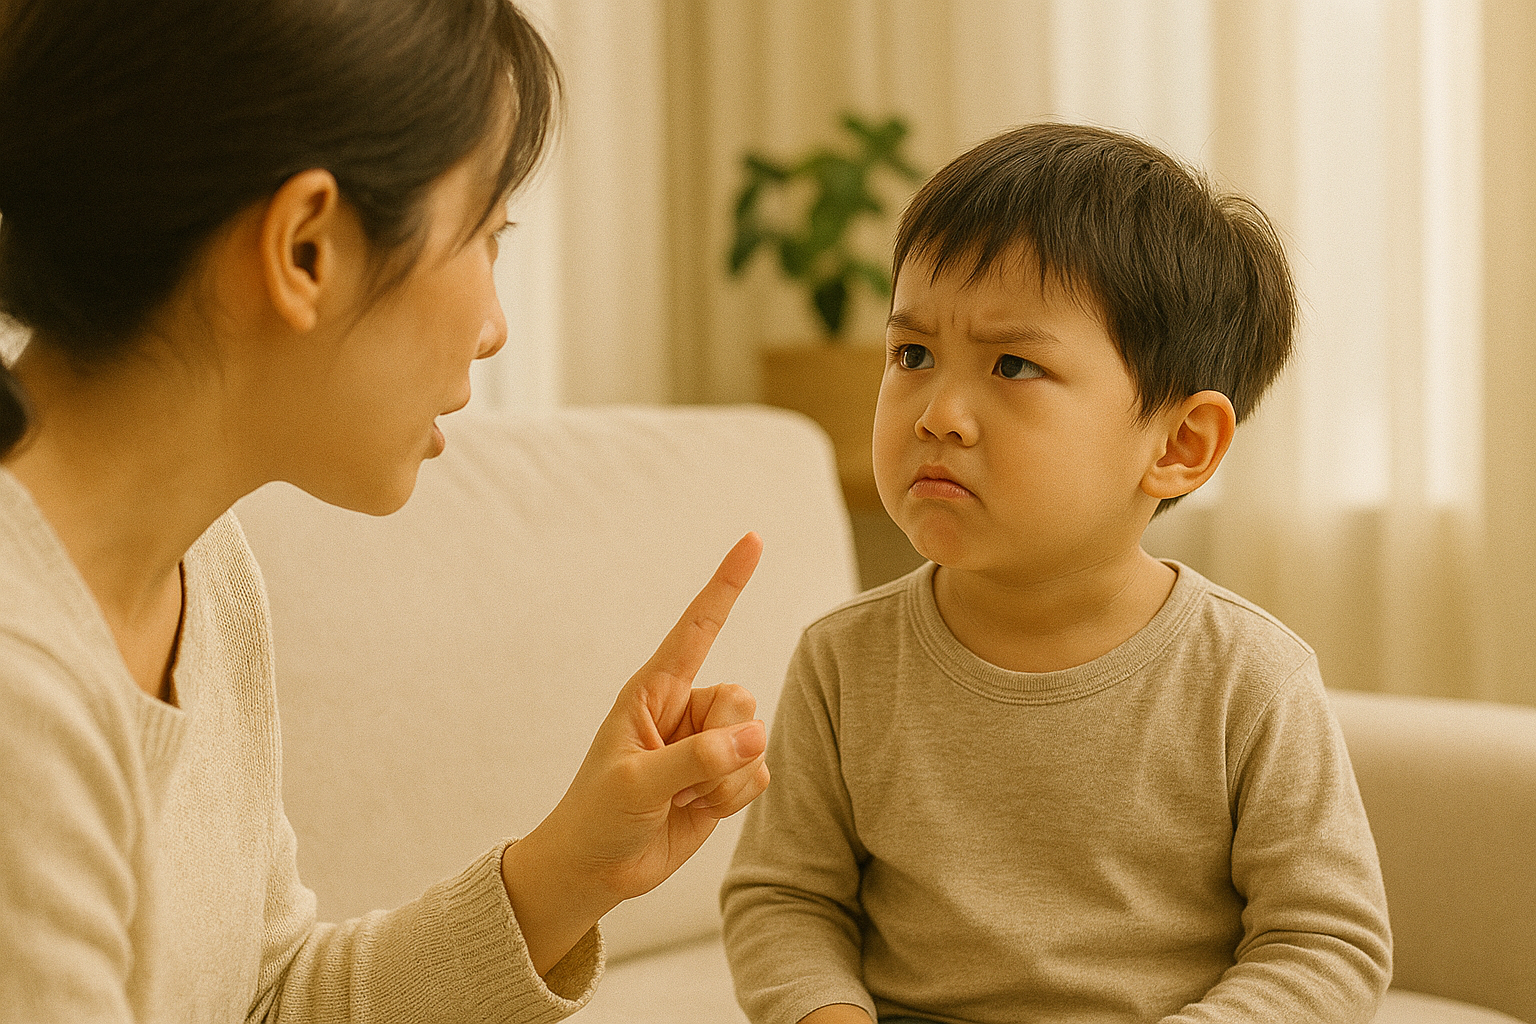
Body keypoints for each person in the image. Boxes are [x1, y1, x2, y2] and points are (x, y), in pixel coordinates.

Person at [0, 0, 772, 1020]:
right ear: (307, 248)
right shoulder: (21, 693)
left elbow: (267, 997)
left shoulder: (205, 570)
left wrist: (569, 871)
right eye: (487, 238)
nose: (495, 328)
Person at [720, 123, 1393, 1024]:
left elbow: (1326, 942)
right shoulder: (843, 661)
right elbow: (785, 899)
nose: (940, 414)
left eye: (1013, 365)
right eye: (911, 355)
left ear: (1179, 445)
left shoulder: (1248, 676)